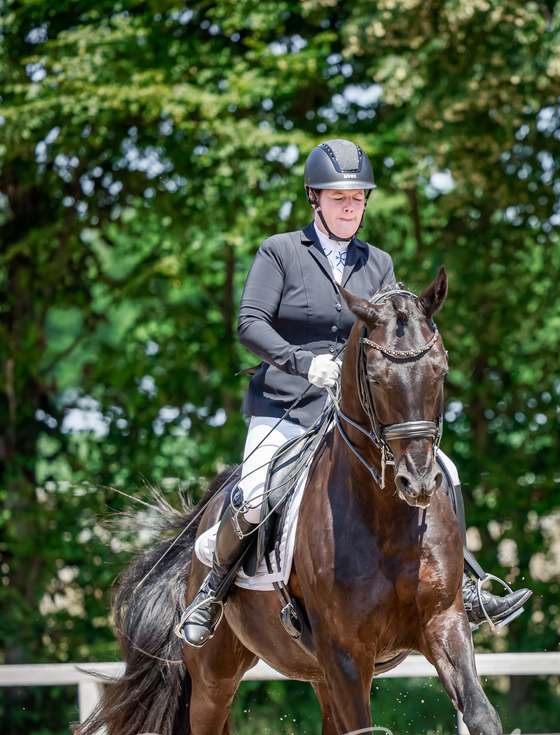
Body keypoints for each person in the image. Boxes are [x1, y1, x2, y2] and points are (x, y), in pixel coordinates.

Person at [178, 139, 531, 647]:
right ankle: (213, 590)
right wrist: (305, 363)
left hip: (357, 417)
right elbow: (249, 323)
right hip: (286, 406)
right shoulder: (279, 252)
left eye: (358, 198)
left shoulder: (377, 263)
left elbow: (392, 330)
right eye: (338, 197)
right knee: (255, 493)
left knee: (443, 471)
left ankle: (466, 587)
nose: (349, 206)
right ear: (314, 199)